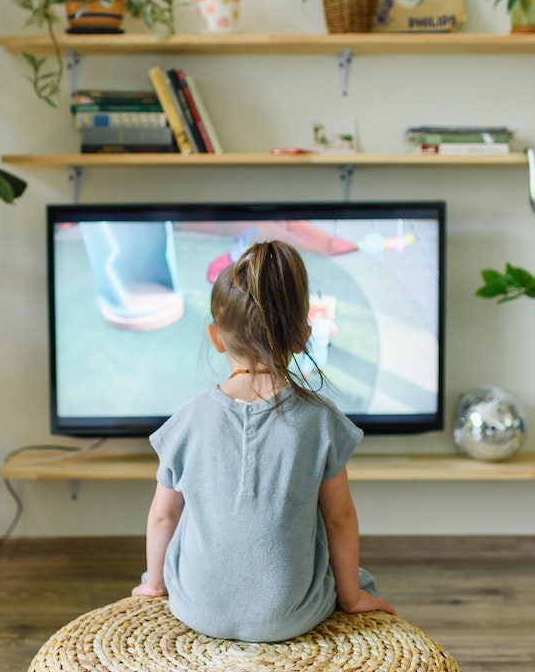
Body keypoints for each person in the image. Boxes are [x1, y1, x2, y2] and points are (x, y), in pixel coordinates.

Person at [131, 239, 395, 642]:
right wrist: (352, 597)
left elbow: (163, 516)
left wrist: (153, 586)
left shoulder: (186, 419)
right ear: (303, 337)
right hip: (290, 616)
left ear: (217, 338)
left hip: (196, 608)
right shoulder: (320, 420)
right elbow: (339, 517)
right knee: (349, 567)